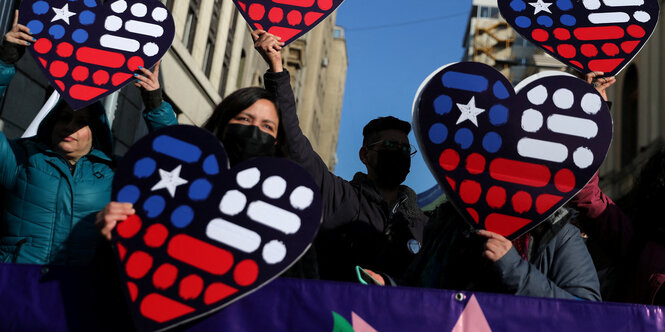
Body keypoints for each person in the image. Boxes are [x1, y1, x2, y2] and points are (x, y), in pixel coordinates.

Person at [0, 11, 177, 265]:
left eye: (81, 122)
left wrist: (155, 104)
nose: (69, 127)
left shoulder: (116, 174)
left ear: (96, 130)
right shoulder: (22, 159)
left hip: (77, 294)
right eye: (63, 118)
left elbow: (175, 157)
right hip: (14, 287)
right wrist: (5, 62)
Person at [252, 30, 428, 282]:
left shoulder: (422, 224)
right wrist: (277, 69)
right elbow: (294, 144)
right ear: (365, 155)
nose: (398, 153)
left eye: (404, 149)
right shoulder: (338, 196)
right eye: (389, 145)